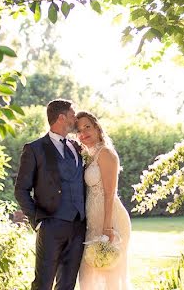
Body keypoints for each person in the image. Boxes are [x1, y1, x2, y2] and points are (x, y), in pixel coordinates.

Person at [15, 99, 87, 290]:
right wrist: (37, 220)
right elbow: (21, 189)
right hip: (50, 225)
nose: (76, 120)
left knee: (67, 284)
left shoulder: (77, 147)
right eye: (72, 116)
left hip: (78, 226)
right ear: (62, 118)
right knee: (43, 283)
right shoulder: (35, 149)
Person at [75, 111, 132, 290]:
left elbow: (110, 193)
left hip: (111, 221)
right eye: (79, 130)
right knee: (87, 276)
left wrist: (107, 228)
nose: (83, 132)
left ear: (97, 128)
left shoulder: (106, 153)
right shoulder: (88, 155)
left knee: (110, 276)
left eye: (87, 127)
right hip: (93, 222)